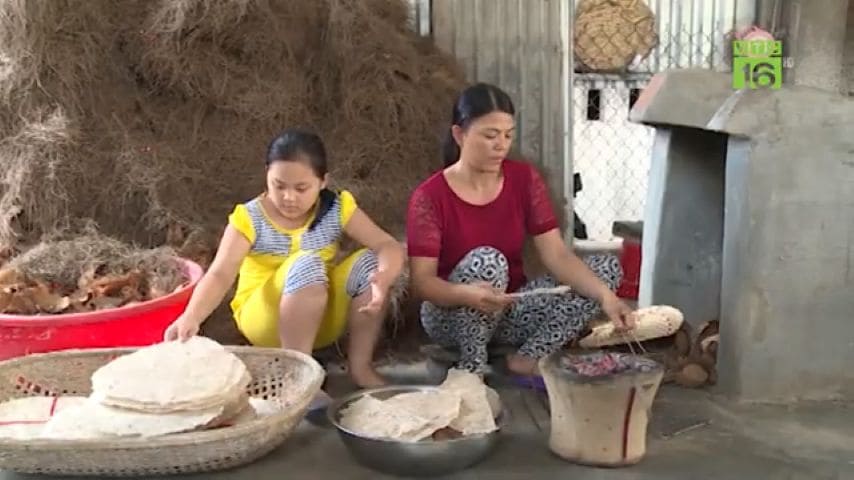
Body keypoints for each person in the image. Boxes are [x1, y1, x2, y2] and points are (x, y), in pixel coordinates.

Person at [405, 83, 636, 386]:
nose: (500, 145)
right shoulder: (430, 196)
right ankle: (472, 370)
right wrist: (467, 294)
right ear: (459, 135)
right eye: (490, 135)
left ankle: (528, 358)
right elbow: (423, 283)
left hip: (510, 309)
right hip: (451, 313)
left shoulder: (523, 179)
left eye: (508, 135)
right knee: (488, 261)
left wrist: (607, 298)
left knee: (604, 269)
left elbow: (556, 254)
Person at [164, 128, 405, 389]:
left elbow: (387, 245)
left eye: (302, 188)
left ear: (323, 181)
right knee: (307, 263)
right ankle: (297, 378)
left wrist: (383, 277)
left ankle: (361, 368)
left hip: (319, 314)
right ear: (266, 174)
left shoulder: (337, 208)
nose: (289, 197)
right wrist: (191, 316)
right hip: (265, 321)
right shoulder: (249, 218)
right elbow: (221, 273)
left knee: (369, 262)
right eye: (279, 186)